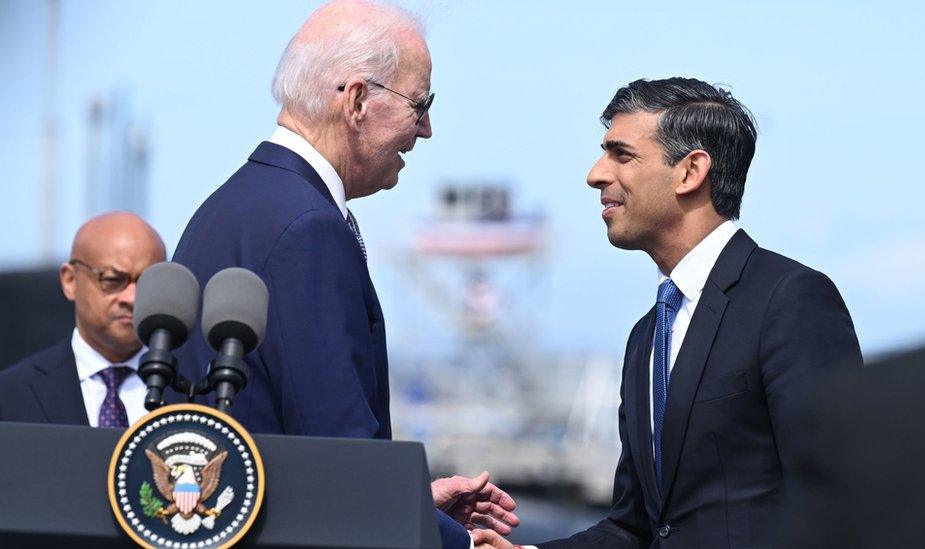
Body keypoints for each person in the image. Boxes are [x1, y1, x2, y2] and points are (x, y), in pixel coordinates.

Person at [171, 2, 517, 547]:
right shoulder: (309, 227)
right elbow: (342, 465)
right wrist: (463, 544)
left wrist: (414, 504)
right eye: (420, 104)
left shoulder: (235, 204)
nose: (425, 129)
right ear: (357, 100)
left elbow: (292, 446)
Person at [474, 77, 863, 548]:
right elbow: (635, 527)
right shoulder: (647, 336)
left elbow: (838, 503)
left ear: (690, 171)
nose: (595, 174)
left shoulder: (791, 300)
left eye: (622, 155)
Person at [0, 212, 166, 428]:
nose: (132, 298)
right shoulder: (13, 395)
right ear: (70, 281)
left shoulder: (192, 392)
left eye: (148, 283)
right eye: (113, 280)